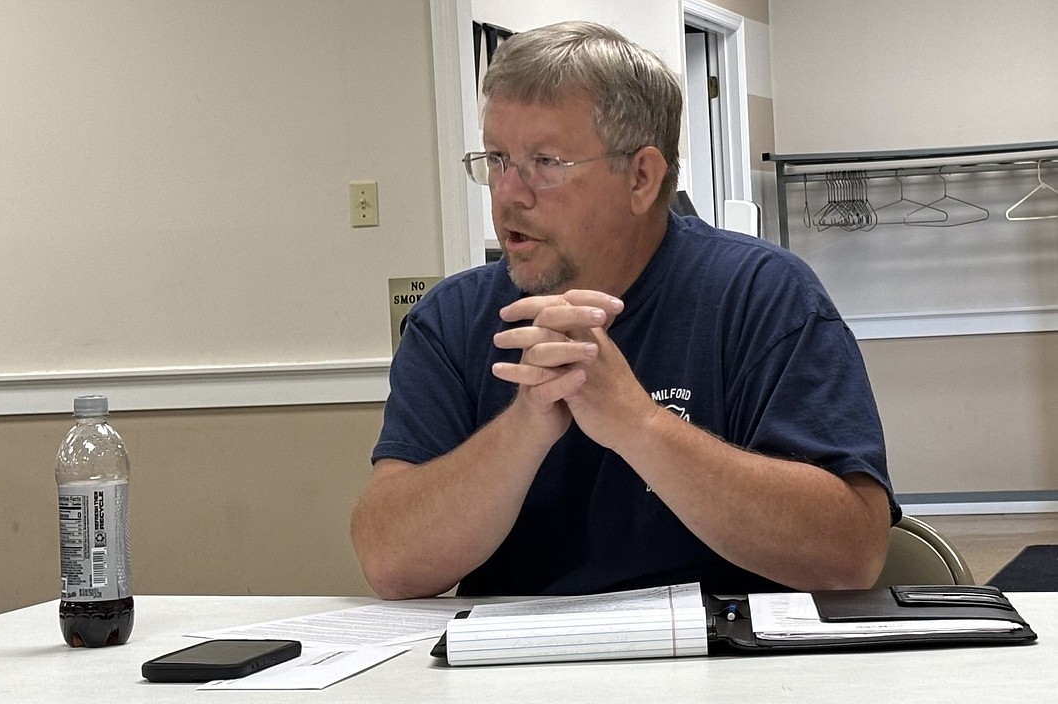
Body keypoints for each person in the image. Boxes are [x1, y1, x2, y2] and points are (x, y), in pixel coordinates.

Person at [350, 21, 899, 600]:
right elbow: (391, 563)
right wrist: (526, 424)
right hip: (516, 672)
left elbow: (851, 553)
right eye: (496, 158)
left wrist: (638, 424)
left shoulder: (763, 295)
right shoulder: (452, 317)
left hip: (734, 671)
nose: (509, 192)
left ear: (641, 177)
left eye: (545, 161)